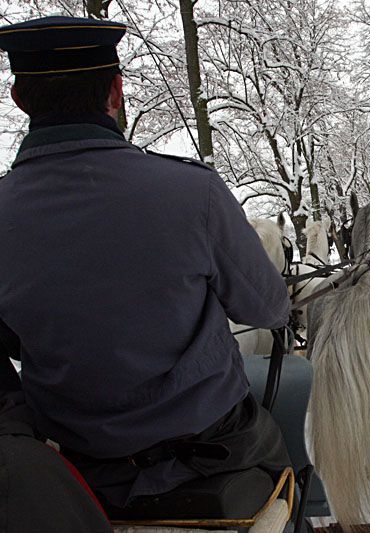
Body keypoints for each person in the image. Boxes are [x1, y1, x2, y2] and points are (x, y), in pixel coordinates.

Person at [0, 15, 291, 521]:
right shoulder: (193, 191)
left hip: (71, 462)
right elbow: (267, 308)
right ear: (116, 91)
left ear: (18, 98)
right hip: (211, 451)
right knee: (290, 424)